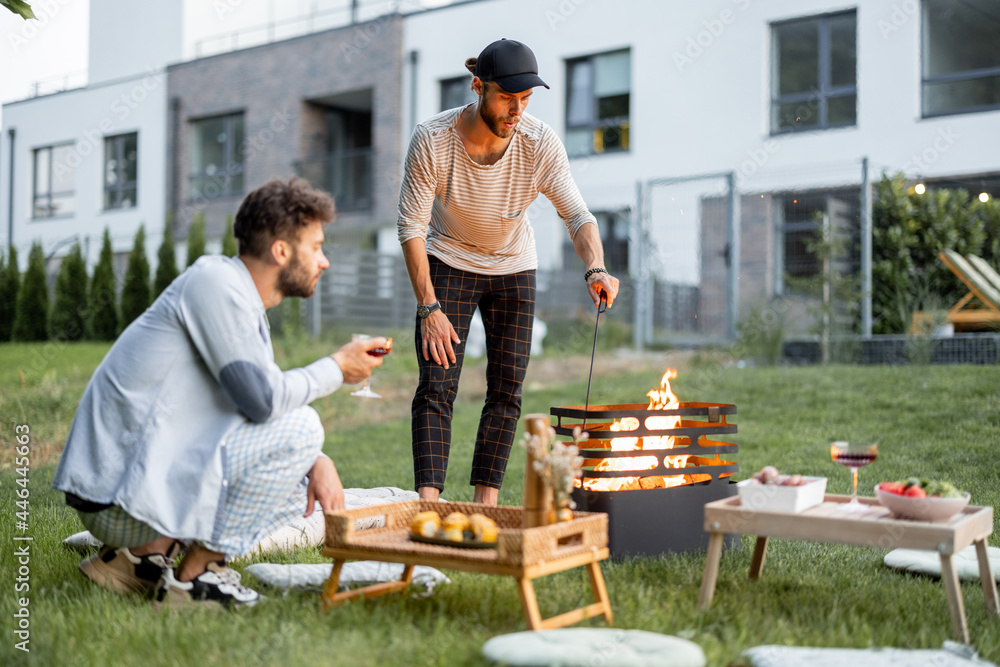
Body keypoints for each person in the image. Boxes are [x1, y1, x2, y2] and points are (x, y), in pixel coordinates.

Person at [52, 177, 387, 608]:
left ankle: (139, 561)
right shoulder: (215, 283)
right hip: (114, 493)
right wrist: (337, 368)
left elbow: (247, 408)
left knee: (287, 477)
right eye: (317, 246)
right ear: (281, 251)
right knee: (302, 427)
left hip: (127, 483)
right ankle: (199, 579)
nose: (324, 261)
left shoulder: (241, 302)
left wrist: (315, 461)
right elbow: (262, 401)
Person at [397, 38, 620, 506]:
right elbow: (410, 227)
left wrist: (595, 267)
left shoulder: (539, 144)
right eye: (506, 98)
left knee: (507, 388)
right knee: (438, 384)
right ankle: (429, 504)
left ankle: (486, 507)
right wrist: (428, 307)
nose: (516, 110)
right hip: (449, 260)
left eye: (525, 100)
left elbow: (578, 216)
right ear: (478, 87)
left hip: (513, 267)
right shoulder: (432, 140)